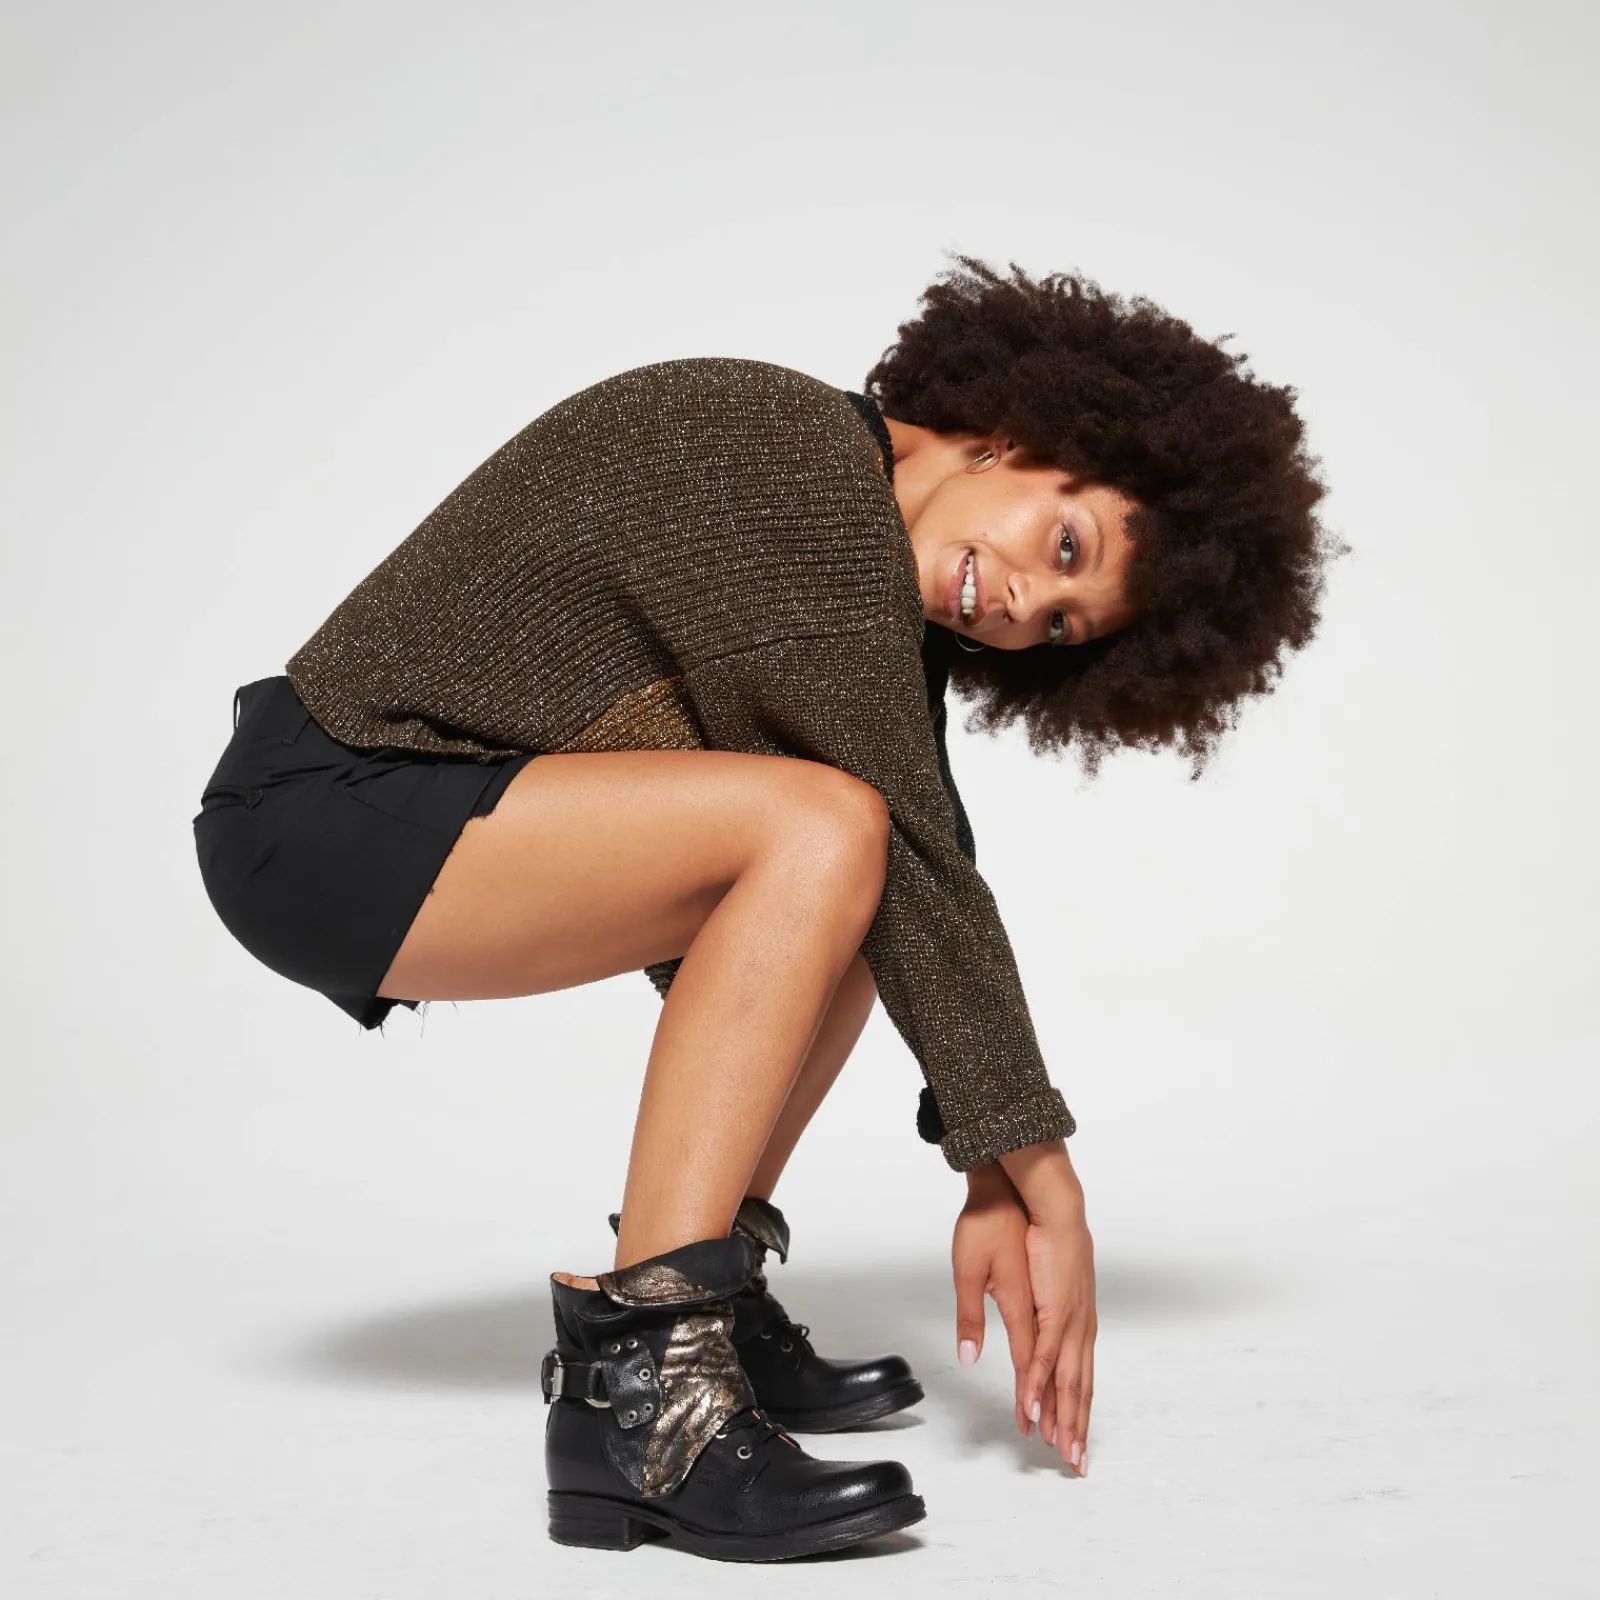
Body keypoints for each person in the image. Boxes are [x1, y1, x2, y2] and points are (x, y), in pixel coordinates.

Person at [191, 255, 1336, 1562]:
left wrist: (994, 1161)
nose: (1027, 605)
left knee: (849, 869)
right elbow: (914, 853)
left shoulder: (863, 565)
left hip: (407, 813)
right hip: (325, 814)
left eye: (1064, 627)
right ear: (1023, 440)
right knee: (829, 828)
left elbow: (916, 866)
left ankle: (702, 1307)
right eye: (1064, 546)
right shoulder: (789, 464)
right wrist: (1036, 1176)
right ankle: (647, 1400)